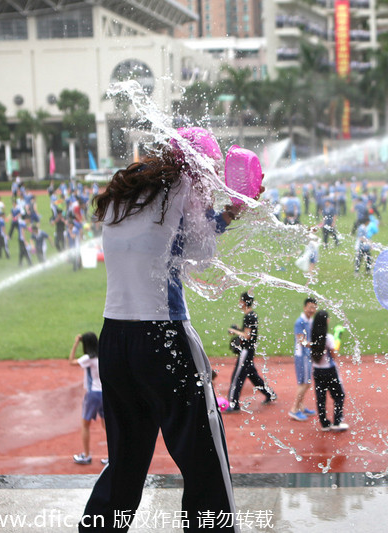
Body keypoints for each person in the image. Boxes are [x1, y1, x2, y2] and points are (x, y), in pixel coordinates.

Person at [80, 128, 252, 532]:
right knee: (205, 462)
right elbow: (202, 254)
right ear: (195, 165)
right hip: (165, 338)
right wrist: (228, 214)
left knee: (126, 462)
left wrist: (219, 215)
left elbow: (168, 246)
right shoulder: (181, 189)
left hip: (115, 341)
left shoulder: (125, 191)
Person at [226, 291, 276, 412]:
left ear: (243, 302)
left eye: (240, 301)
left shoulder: (249, 316)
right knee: (253, 375)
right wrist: (240, 329)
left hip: (246, 351)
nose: (239, 303)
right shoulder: (252, 315)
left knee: (237, 377)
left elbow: (247, 336)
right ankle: (270, 394)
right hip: (250, 350)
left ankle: (233, 403)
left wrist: (235, 331)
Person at [68, 332, 107, 466]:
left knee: (85, 425)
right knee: (106, 426)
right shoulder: (102, 355)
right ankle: (112, 456)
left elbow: (71, 361)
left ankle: (86, 455)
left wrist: (75, 343)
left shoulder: (88, 358)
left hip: (92, 394)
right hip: (104, 394)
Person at [310, 310, 348, 432]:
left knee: (321, 398)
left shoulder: (312, 337)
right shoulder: (329, 338)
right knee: (339, 395)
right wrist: (337, 340)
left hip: (317, 371)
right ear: (326, 321)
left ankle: (324, 423)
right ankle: (337, 421)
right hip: (329, 371)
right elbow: (334, 355)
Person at [289, 298, 318, 421]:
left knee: (304, 382)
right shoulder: (300, 322)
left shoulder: (310, 320)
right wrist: (316, 345)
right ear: (305, 307)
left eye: (314, 307)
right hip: (302, 355)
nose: (312, 310)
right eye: (310, 307)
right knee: (305, 383)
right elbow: (301, 341)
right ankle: (294, 409)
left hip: (307, 355)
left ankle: (301, 406)